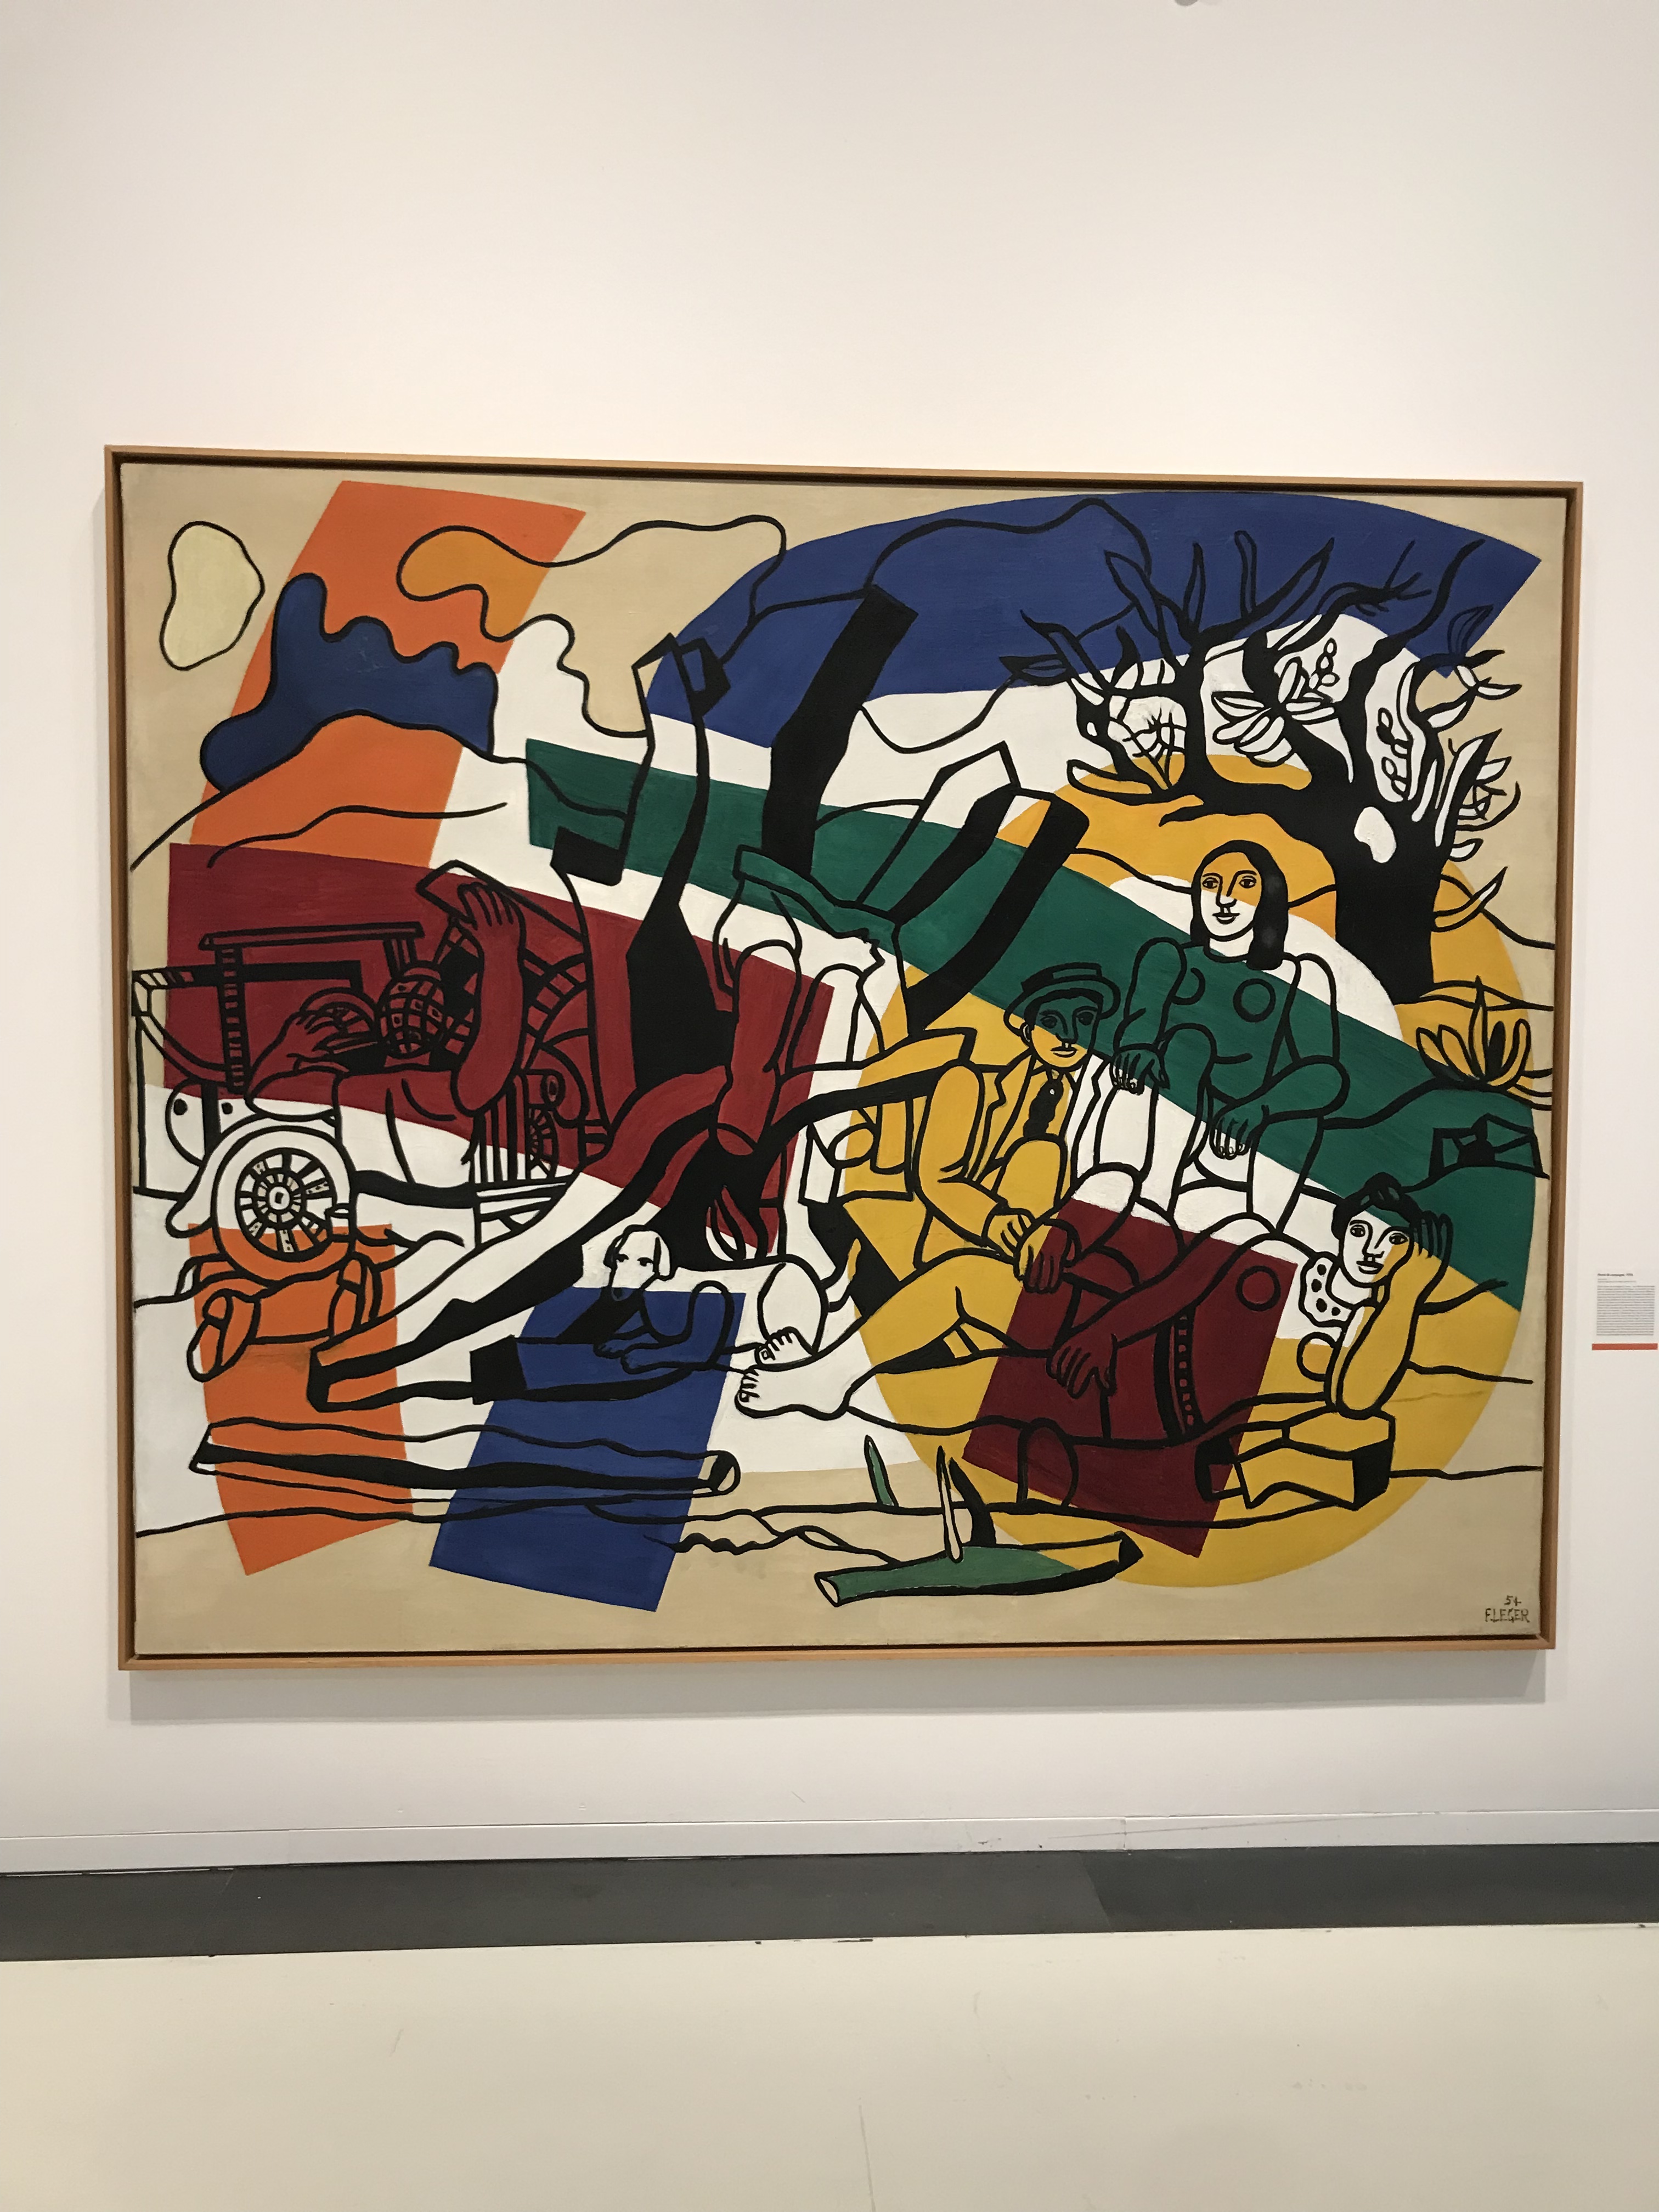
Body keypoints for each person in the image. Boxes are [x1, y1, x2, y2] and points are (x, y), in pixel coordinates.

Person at [1076, 842, 1347, 1234]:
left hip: (1250, 1134)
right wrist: (1138, 1050)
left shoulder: (1300, 977)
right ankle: (1145, 1201)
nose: (1224, 898)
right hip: (1167, 1111)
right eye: (1211, 883)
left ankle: (1263, 1238)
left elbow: (1325, 1076)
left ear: (1270, 895)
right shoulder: (1169, 957)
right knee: (1186, 1043)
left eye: (1245, 884)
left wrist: (1261, 1108)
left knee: (1300, 1116)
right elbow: (1139, 1029)